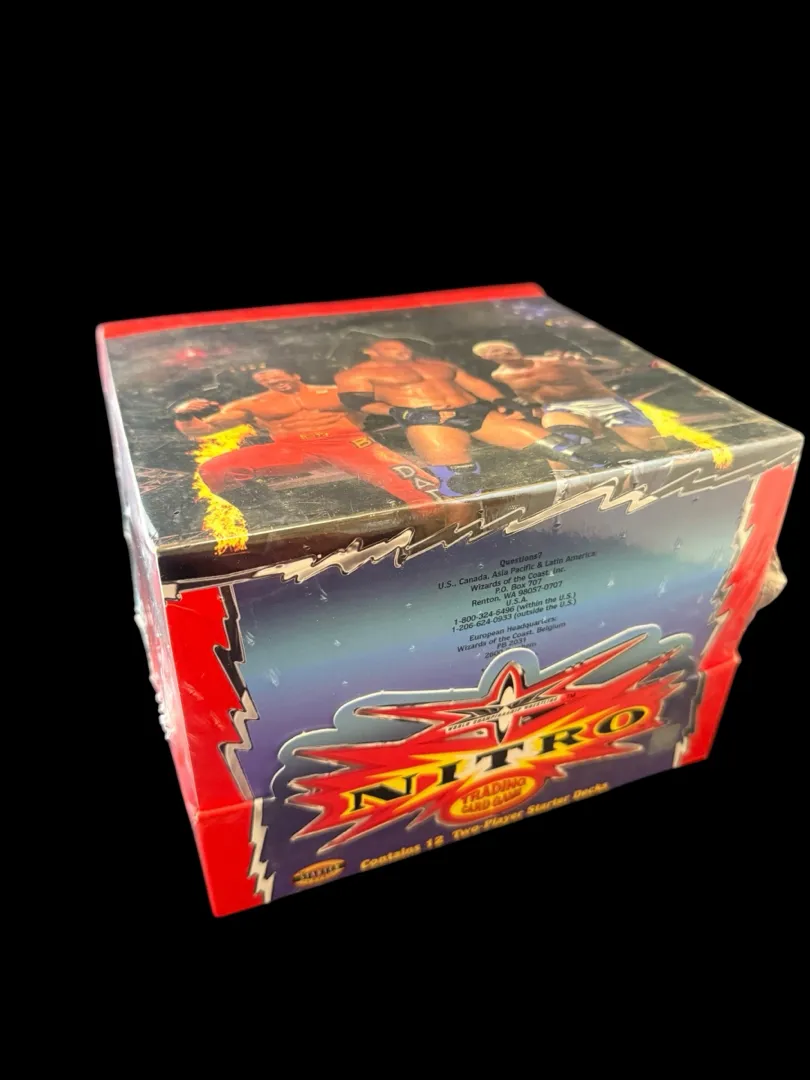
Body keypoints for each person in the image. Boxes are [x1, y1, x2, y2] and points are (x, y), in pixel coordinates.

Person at [334, 339, 606, 497]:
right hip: (428, 419)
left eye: (402, 346)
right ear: (371, 350)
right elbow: (358, 403)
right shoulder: (357, 373)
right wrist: (399, 412)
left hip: (476, 412)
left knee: (564, 448)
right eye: (393, 348)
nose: (402, 350)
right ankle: (467, 532)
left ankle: (597, 490)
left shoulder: (437, 364)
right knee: (460, 481)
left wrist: (501, 402)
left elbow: (473, 383)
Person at [173, 368, 445, 510]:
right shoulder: (253, 404)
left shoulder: (335, 392)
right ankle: (267, 515)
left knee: (424, 494)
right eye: (267, 381)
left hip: (347, 442)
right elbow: (202, 430)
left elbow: (388, 405)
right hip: (293, 447)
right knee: (215, 469)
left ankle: (437, 535)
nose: (274, 382)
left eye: (278, 377)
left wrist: (423, 410)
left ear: (295, 375)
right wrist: (184, 413)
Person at [472, 341, 667, 456]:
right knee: (573, 448)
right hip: (559, 408)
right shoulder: (500, 375)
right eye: (496, 351)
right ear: (486, 357)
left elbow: (612, 365)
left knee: (654, 448)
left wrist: (583, 359)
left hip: (601, 402)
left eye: (507, 347)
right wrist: (534, 407)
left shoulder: (554, 360)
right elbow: (524, 393)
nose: (505, 351)